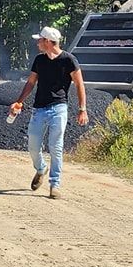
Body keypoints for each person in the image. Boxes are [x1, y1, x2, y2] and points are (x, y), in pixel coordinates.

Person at [7, 24, 88, 198]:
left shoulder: (69, 60)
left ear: (48, 42)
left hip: (59, 108)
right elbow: (30, 83)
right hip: (39, 109)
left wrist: (83, 109)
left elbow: (80, 84)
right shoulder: (39, 60)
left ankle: (55, 184)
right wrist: (18, 101)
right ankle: (41, 168)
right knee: (33, 146)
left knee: (56, 147)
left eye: (40, 41)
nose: (37, 44)